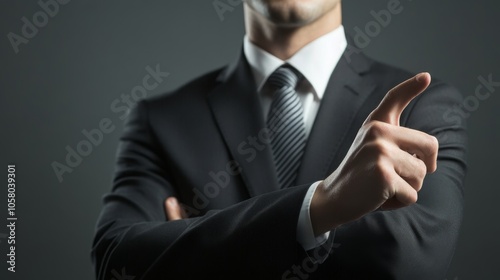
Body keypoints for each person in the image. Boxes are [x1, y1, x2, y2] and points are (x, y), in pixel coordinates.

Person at [91, 0, 467, 279]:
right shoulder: (161, 119)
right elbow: (117, 263)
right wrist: (321, 206)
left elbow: (412, 262)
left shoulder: (423, 104)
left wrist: (195, 241)